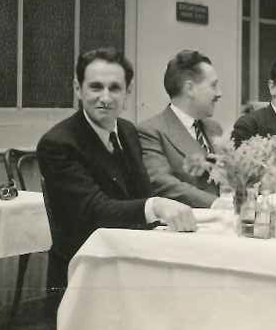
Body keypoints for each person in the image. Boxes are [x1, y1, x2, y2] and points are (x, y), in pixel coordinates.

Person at [37, 47, 196, 320]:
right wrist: (156, 205)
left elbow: (140, 193)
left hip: (131, 262)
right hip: (85, 274)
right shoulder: (58, 143)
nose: (106, 98)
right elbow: (93, 211)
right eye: (95, 87)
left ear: (128, 91)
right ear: (78, 88)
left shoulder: (127, 131)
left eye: (115, 88)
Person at [138, 50, 224, 208]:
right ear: (190, 88)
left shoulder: (214, 129)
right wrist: (215, 204)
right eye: (213, 85)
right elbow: (163, 184)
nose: (220, 93)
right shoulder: (151, 131)